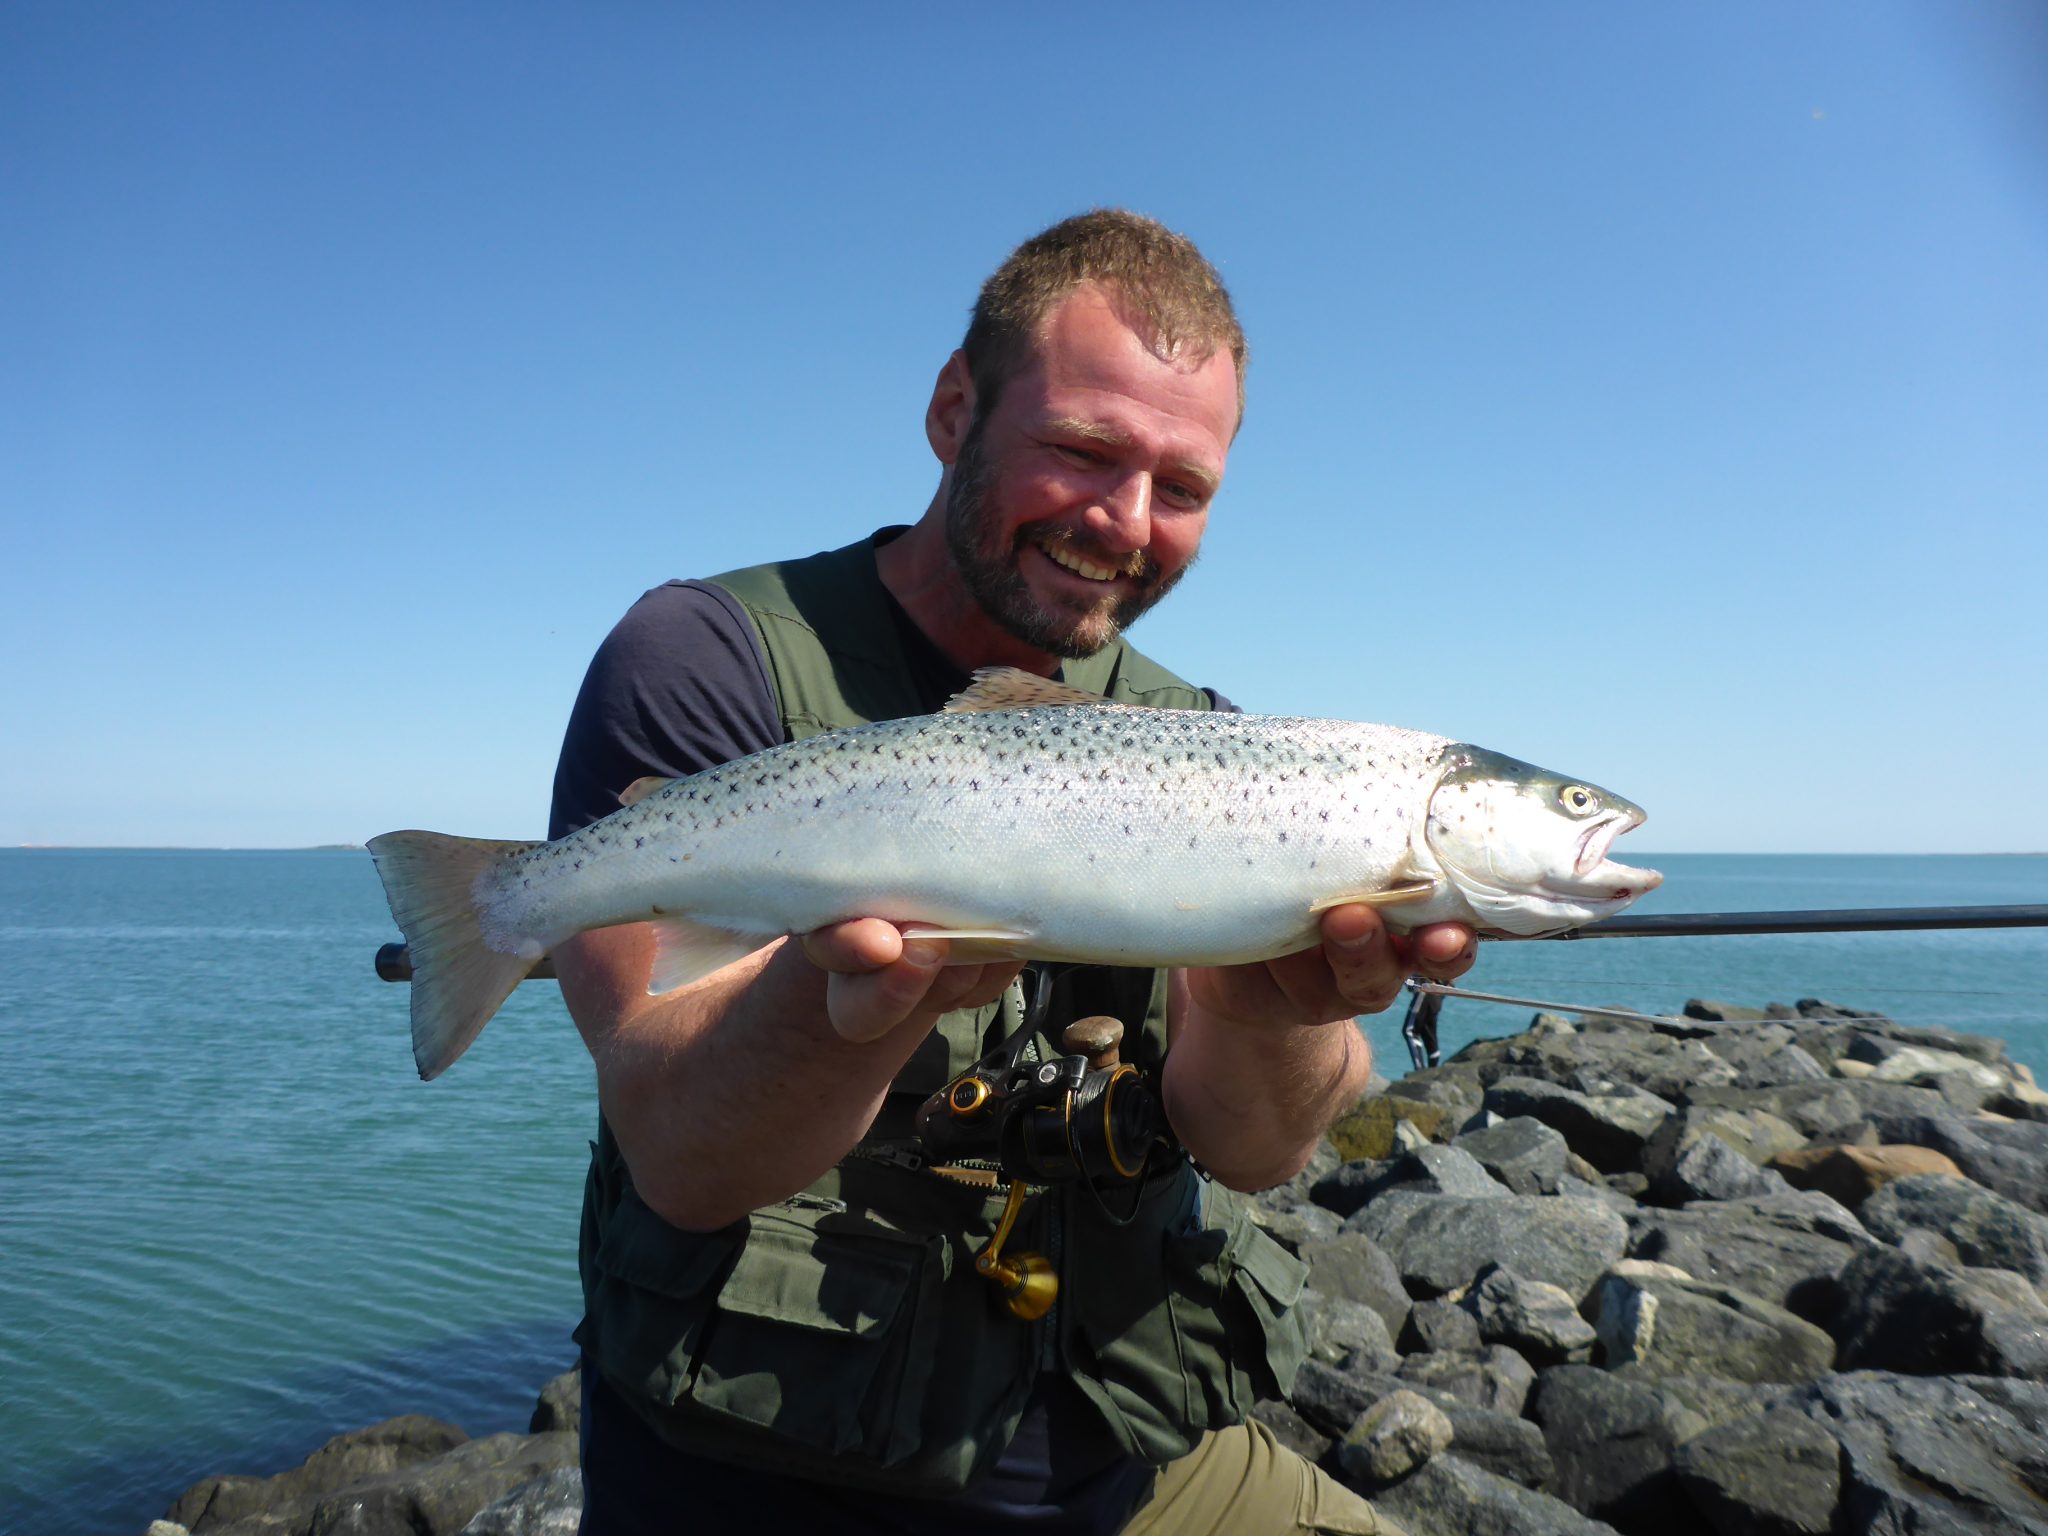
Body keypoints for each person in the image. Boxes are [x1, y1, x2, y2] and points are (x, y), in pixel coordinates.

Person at [548, 210, 1478, 1535]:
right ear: (952, 407)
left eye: (1185, 487)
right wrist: (842, 1007)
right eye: (1085, 452)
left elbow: (1261, 1153)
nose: (1127, 521)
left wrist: (1275, 1017)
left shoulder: (1211, 744)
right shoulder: (703, 658)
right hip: (771, 1484)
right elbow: (681, 1156)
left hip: (1132, 1471)